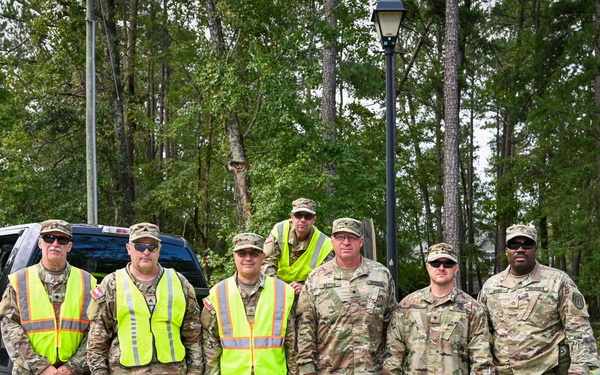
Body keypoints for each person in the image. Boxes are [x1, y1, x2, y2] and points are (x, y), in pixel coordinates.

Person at [478, 224, 600, 374]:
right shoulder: (491, 286)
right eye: (514, 245)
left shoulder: (558, 281)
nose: (520, 249)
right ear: (507, 250)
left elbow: (579, 331)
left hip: (546, 370)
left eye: (527, 244)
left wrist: (580, 369)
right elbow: (481, 334)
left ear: (535, 249)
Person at [86, 222, 203, 375]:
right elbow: (96, 342)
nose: (146, 252)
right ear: (129, 249)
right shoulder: (112, 284)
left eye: (152, 246)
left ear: (159, 250)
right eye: (139, 246)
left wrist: (194, 372)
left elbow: (193, 336)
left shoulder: (179, 283)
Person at [296, 218, 397, 374]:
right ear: (332, 241)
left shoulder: (381, 275)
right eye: (340, 237)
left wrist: (390, 368)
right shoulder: (316, 278)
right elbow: (305, 328)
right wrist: (306, 369)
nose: (346, 242)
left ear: (361, 241)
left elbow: (393, 326)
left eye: (352, 237)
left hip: (372, 370)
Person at [0, 219, 97, 375]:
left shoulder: (88, 282)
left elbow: (96, 329)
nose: (55, 243)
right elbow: (9, 327)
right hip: (30, 371)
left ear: (69, 246)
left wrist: (73, 367)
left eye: (62, 239)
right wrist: (41, 367)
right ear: (40, 243)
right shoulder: (19, 281)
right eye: (49, 238)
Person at [382, 242, 494, 375]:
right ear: (428, 267)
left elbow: (482, 360)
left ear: (456, 268)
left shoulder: (471, 308)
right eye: (436, 263)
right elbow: (393, 356)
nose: (441, 268)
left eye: (448, 263)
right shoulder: (407, 306)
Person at [201, 233, 296, 375]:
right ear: (234, 256)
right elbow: (210, 346)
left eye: (254, 253)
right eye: (242, 253)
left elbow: (293, 345)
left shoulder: (283, 292)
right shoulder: (217, 293)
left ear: (263, 257)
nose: (248, 258)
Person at [263, 198, 334, 295]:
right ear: (292, 217)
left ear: (314, 220)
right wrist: (280, 287)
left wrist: (305, 288)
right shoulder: (279, 230)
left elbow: (326, 277)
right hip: (276, 286)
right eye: (298, 215)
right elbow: (266, 264)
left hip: (306, 291)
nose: (302, 220)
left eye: (308, 216)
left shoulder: (325, 243)